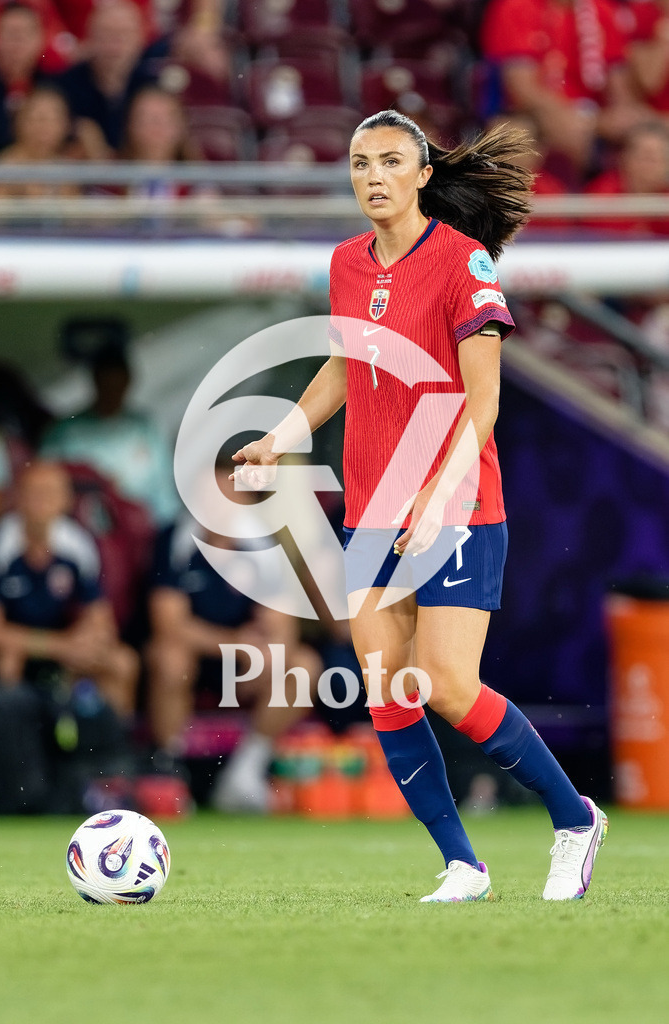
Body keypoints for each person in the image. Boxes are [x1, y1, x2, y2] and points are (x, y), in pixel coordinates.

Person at [231, 109, 608, 902]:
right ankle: (461, 865)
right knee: (387, 688)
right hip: (372, 509)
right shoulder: (345, 263)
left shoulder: (464, 264)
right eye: (360, 162)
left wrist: (440, 491)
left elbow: (483, 403)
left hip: (457, 504)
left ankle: (574, 818)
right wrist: (284, 434)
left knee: (442, 682)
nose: (373, 176)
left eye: (390, 162)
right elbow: (342, 366)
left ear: (422, 175)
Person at [146, 465, 322, 812]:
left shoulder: (262, 542)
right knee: (169, 657)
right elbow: (169, 625)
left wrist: (267, 658)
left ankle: (246, 770)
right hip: (196, 658)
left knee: (304, 665)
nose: (214, 504)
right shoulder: (173, 540)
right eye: (206, 496)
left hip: (243, 665)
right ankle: (171, 769)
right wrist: (236, 642)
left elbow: (282, 621)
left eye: (224, 494)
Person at [0, 460, 139, 717]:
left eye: (50, 492)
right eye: (34, 492)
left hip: (62, 645)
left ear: (66, 500)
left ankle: (113, 748)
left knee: (122, 663)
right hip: (16, 647)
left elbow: (101, 619)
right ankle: (17, 752)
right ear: (18, 498)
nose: (42, 501)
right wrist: (58, 645)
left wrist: (85, 640)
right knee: (7, 662)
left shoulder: (78, 544)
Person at [480, 0, 648, 177]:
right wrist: (581, 120)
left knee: (648, 133)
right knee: (541, 132)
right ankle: (571, 197)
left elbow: (620, 92)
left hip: (593, 114)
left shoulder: (602, 10)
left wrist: (617, 117)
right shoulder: (516, 6)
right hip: (531, 112)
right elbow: (523, 89)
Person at [40, 338, 180, 529]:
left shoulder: (145, 428)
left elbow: (163, 493)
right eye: (106, 383)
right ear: (95, 381)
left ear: (128, 382)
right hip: (83, 532)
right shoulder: (65, 433)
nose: (112, 392)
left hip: (140, 531)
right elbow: (45, 488)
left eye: (117, 384)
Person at [55, 0, 157, 152]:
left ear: (140, 39)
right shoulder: (63, 89)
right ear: (90, 37)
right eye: (107, 34)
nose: (115, 46)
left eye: (124, 35)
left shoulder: (152, 87)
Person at [0, 0, 49, 157]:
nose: (17, 43)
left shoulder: (53, 87)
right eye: (11, 34)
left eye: (24, 35)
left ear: (40, 39)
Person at [584, 120, 669, 234]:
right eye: (646, 156)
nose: (653, 164)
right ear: (625, 157)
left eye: (660, 156)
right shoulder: (602, 193)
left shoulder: (665, 196)